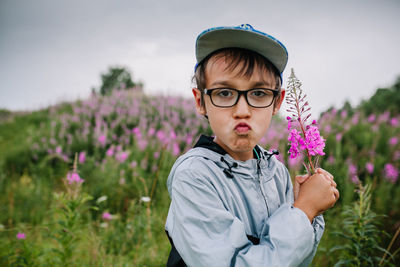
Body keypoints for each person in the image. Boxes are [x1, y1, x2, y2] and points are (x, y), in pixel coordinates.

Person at [165, 24, 339, 267]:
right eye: (224, 93)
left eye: (258, 93)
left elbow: (294, 260)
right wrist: (303, 212)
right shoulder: (194, 176)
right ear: (200, 101)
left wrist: (307, 212)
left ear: (277, 101)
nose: (242, 111)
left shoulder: (275, 171)